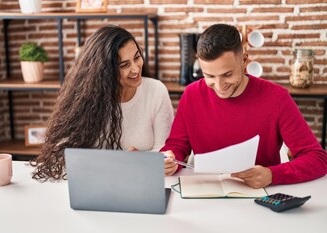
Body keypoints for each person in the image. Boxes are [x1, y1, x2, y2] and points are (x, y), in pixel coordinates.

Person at [161, 23, 327, 188]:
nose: (219, 86)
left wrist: (272, 175)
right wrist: (170, 158)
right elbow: (177, 146)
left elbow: (318, 158)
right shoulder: (191, 95)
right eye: (210, 76)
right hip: (204, 193)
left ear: (244, 61)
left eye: (227, 74)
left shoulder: (277, 98)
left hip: (260, 195)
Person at [31, 25, 174, 181]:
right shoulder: (85, 98)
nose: (135, 68)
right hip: (96, 181)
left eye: (137, 57)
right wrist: (118, 163)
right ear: (105, 71)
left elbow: (163, 149)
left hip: (142, 180)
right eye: (124, 65)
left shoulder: (156, 91)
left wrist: (143, 160)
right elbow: (63, 151)